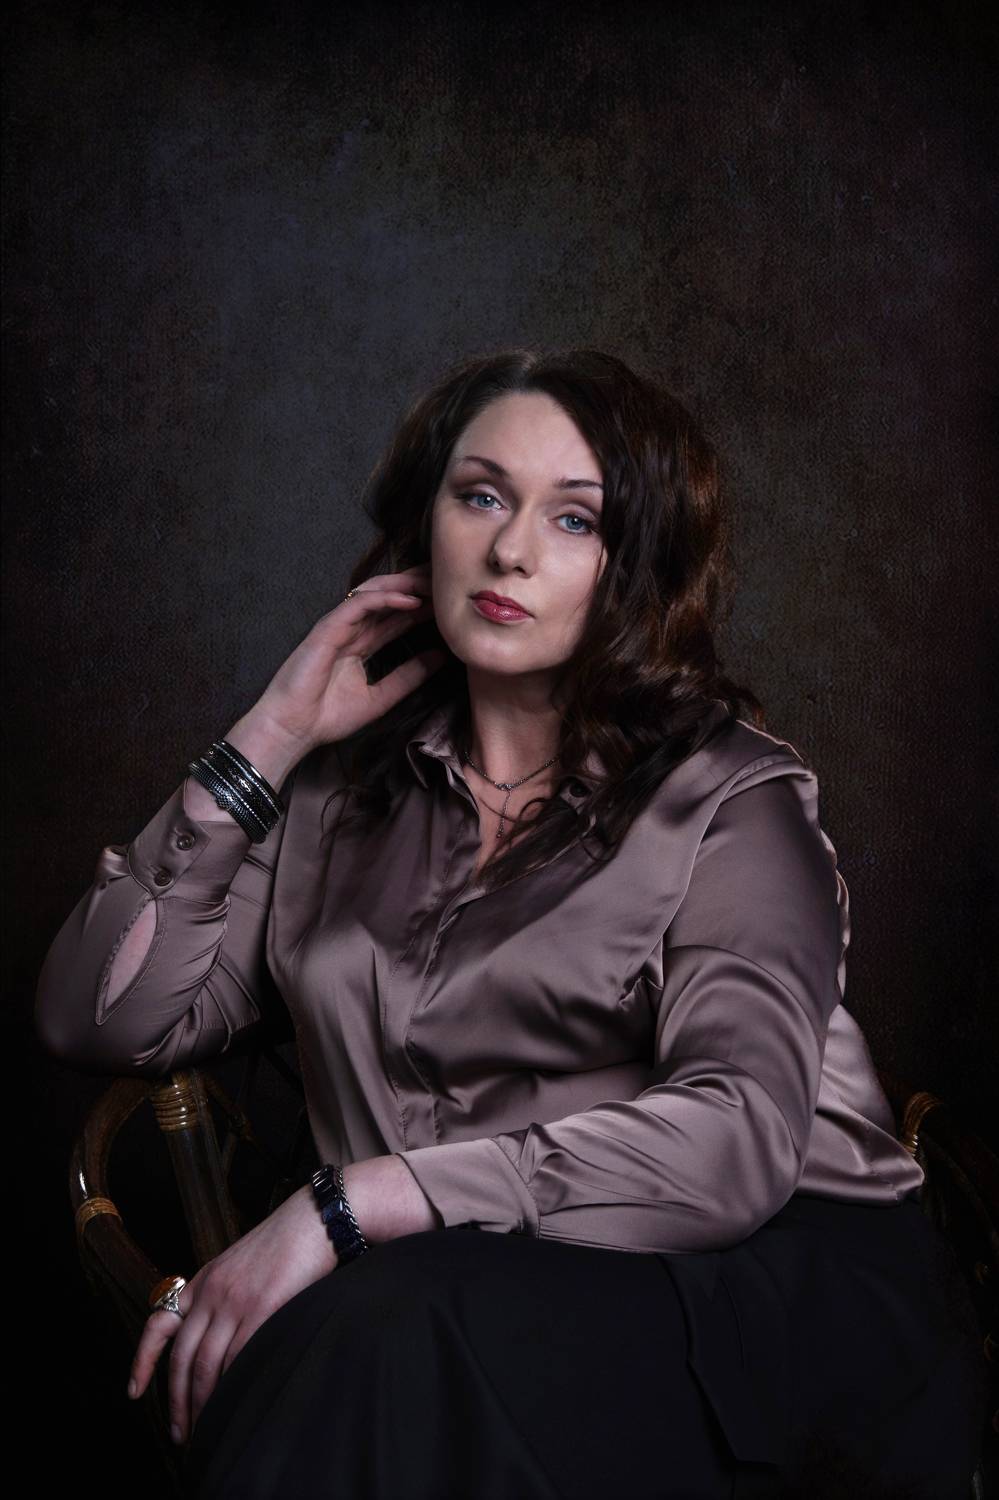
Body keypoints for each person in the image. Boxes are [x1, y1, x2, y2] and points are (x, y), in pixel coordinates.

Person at [35, 348, 985, 1499]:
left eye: (574, 520)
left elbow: (735, 1144)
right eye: (481, 496)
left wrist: (350, 1206)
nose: (510, 551)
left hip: (759, 1291)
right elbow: (100, 1020)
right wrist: (267, 741)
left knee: (380, 1335)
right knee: (380, 1338)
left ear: (636, 567)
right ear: (427, 523)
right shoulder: (336, 794)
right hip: (443, 1302)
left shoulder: (732, 799)